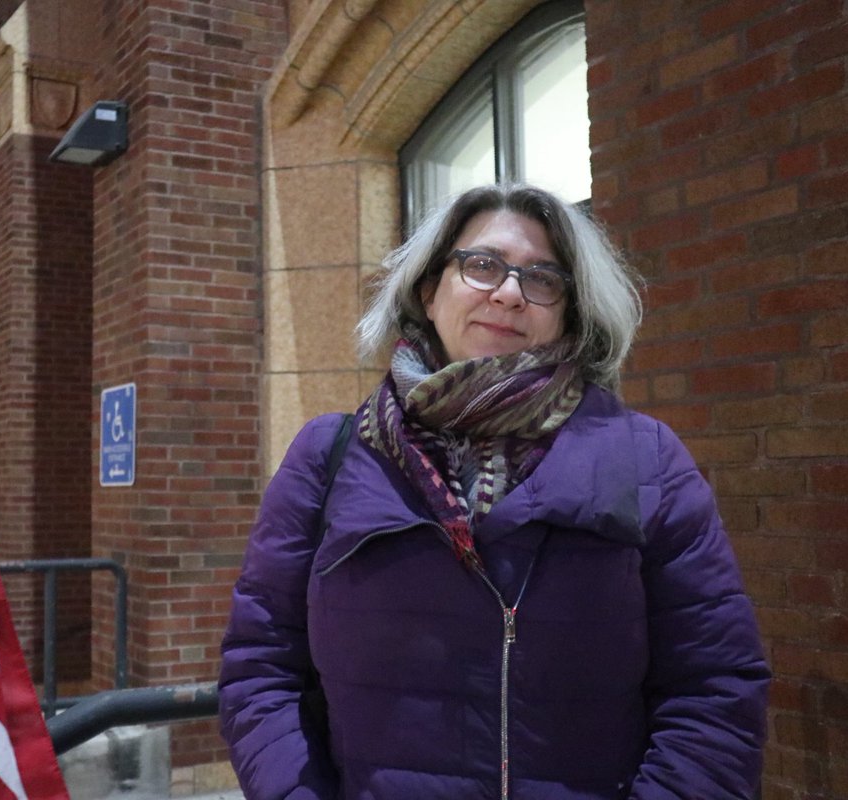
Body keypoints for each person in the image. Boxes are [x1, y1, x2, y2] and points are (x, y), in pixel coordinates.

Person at [218, 183, 770, 800]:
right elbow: (261, 669)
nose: (509, 292)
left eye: (542, 279)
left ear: (568, 312)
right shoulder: (328, 458)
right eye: (481, 266)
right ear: (428, 292)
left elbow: (713, 685)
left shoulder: (645, 459)